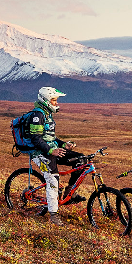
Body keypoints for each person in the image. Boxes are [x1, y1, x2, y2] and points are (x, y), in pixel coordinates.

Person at [24, 86, 85, 226]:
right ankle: (53, 214)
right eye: (54, 100)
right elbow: (36, 139)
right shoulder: (37, 116)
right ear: (45, 100)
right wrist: (51, 151)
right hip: (40, 153)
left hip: (52, 150)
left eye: (56, 100)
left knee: (81, 160)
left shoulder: (47, 114)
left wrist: (64, 145)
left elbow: (51, 138)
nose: (56, 103)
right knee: (53, 178)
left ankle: (70, 193)